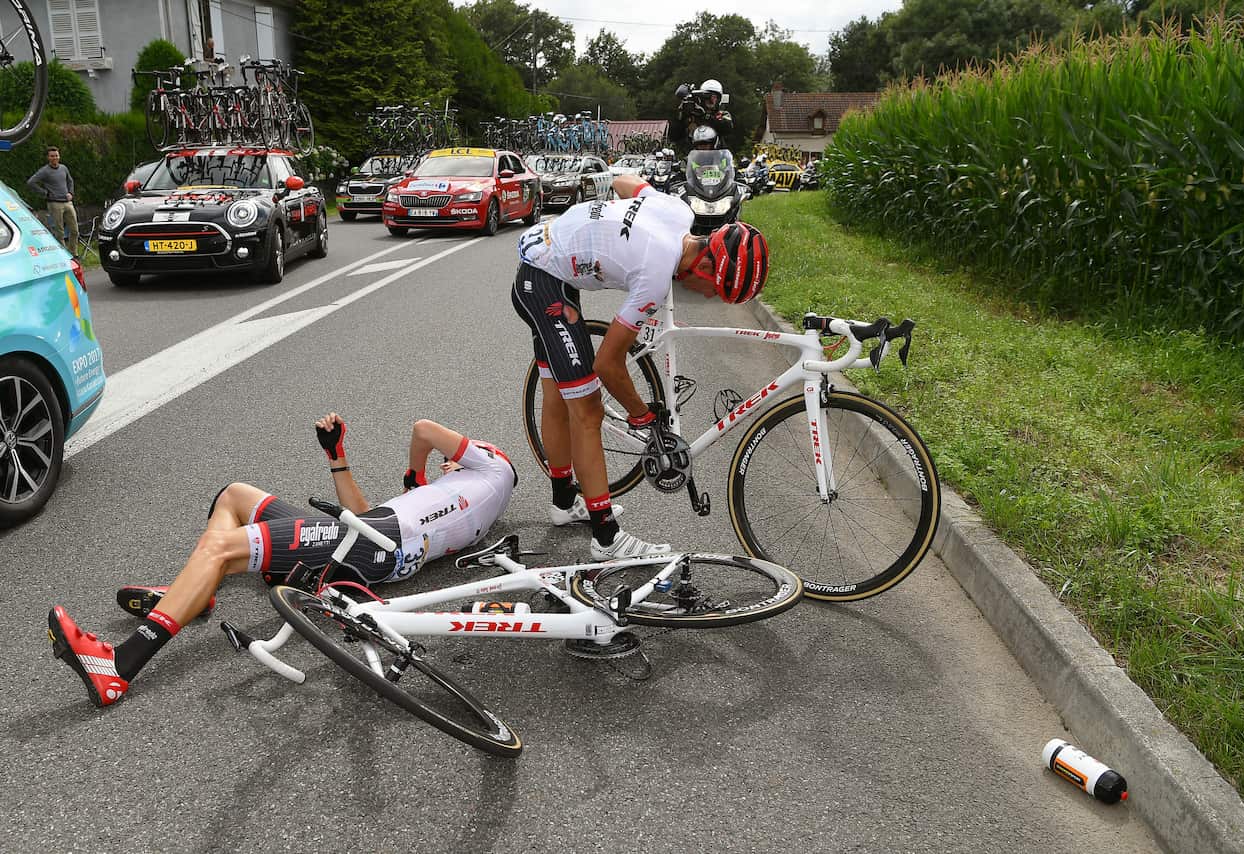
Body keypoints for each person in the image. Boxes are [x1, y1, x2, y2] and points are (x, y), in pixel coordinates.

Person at [48, 413, 518, 708]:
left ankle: (120, 665)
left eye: (453, 462)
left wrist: (415, 474)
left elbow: (424, 430)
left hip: (377, 544)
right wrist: (337, 456)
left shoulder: (494, 468)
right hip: (374, 540)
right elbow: (363, 517)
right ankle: (193, 594)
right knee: (235, 495)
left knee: (221, 548)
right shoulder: (455, 499)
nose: (446, 464)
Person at [512, 173, 769, 560]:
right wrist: (642, 415)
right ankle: (606, 538)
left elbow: (624, 182)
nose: (709, 298)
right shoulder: (654, 274)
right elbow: (608, 363)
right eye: (716, 291)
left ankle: (564, 503)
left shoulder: (677, 211)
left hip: (550, 262)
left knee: (556, 394)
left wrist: (604, 228)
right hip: (543, 280)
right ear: (704, 266)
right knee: (587, 410)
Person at [28, 146, 78, 255]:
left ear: (59, 156)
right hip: (54, 204)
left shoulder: (64, 168)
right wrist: (45, 193)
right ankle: (64, 255)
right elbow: (31, 182)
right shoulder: (44, 171)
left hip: (67, 203)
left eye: (56, 155)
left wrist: (71, 192)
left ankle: (73, 253)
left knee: (74, 230)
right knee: (59, 233)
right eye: (52, 156)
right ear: (48, 157)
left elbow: (70, 181)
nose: (55, 158)